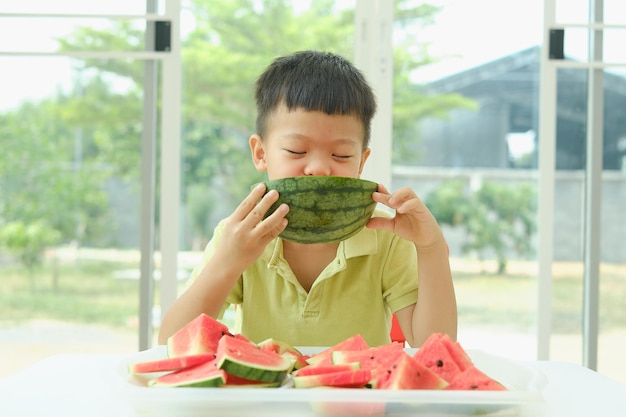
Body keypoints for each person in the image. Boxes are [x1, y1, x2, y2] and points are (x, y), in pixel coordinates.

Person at [158, 50, 457, 348]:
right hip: (266, 395)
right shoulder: (239, 236)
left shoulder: (385, 240)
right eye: (296, 151)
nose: (318, 168)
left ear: (361, 163)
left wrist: (429, 247)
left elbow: (434, 347)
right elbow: (170, 344)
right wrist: (228, 261)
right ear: (261, 153)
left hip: (357, 395)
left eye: (341, 155)